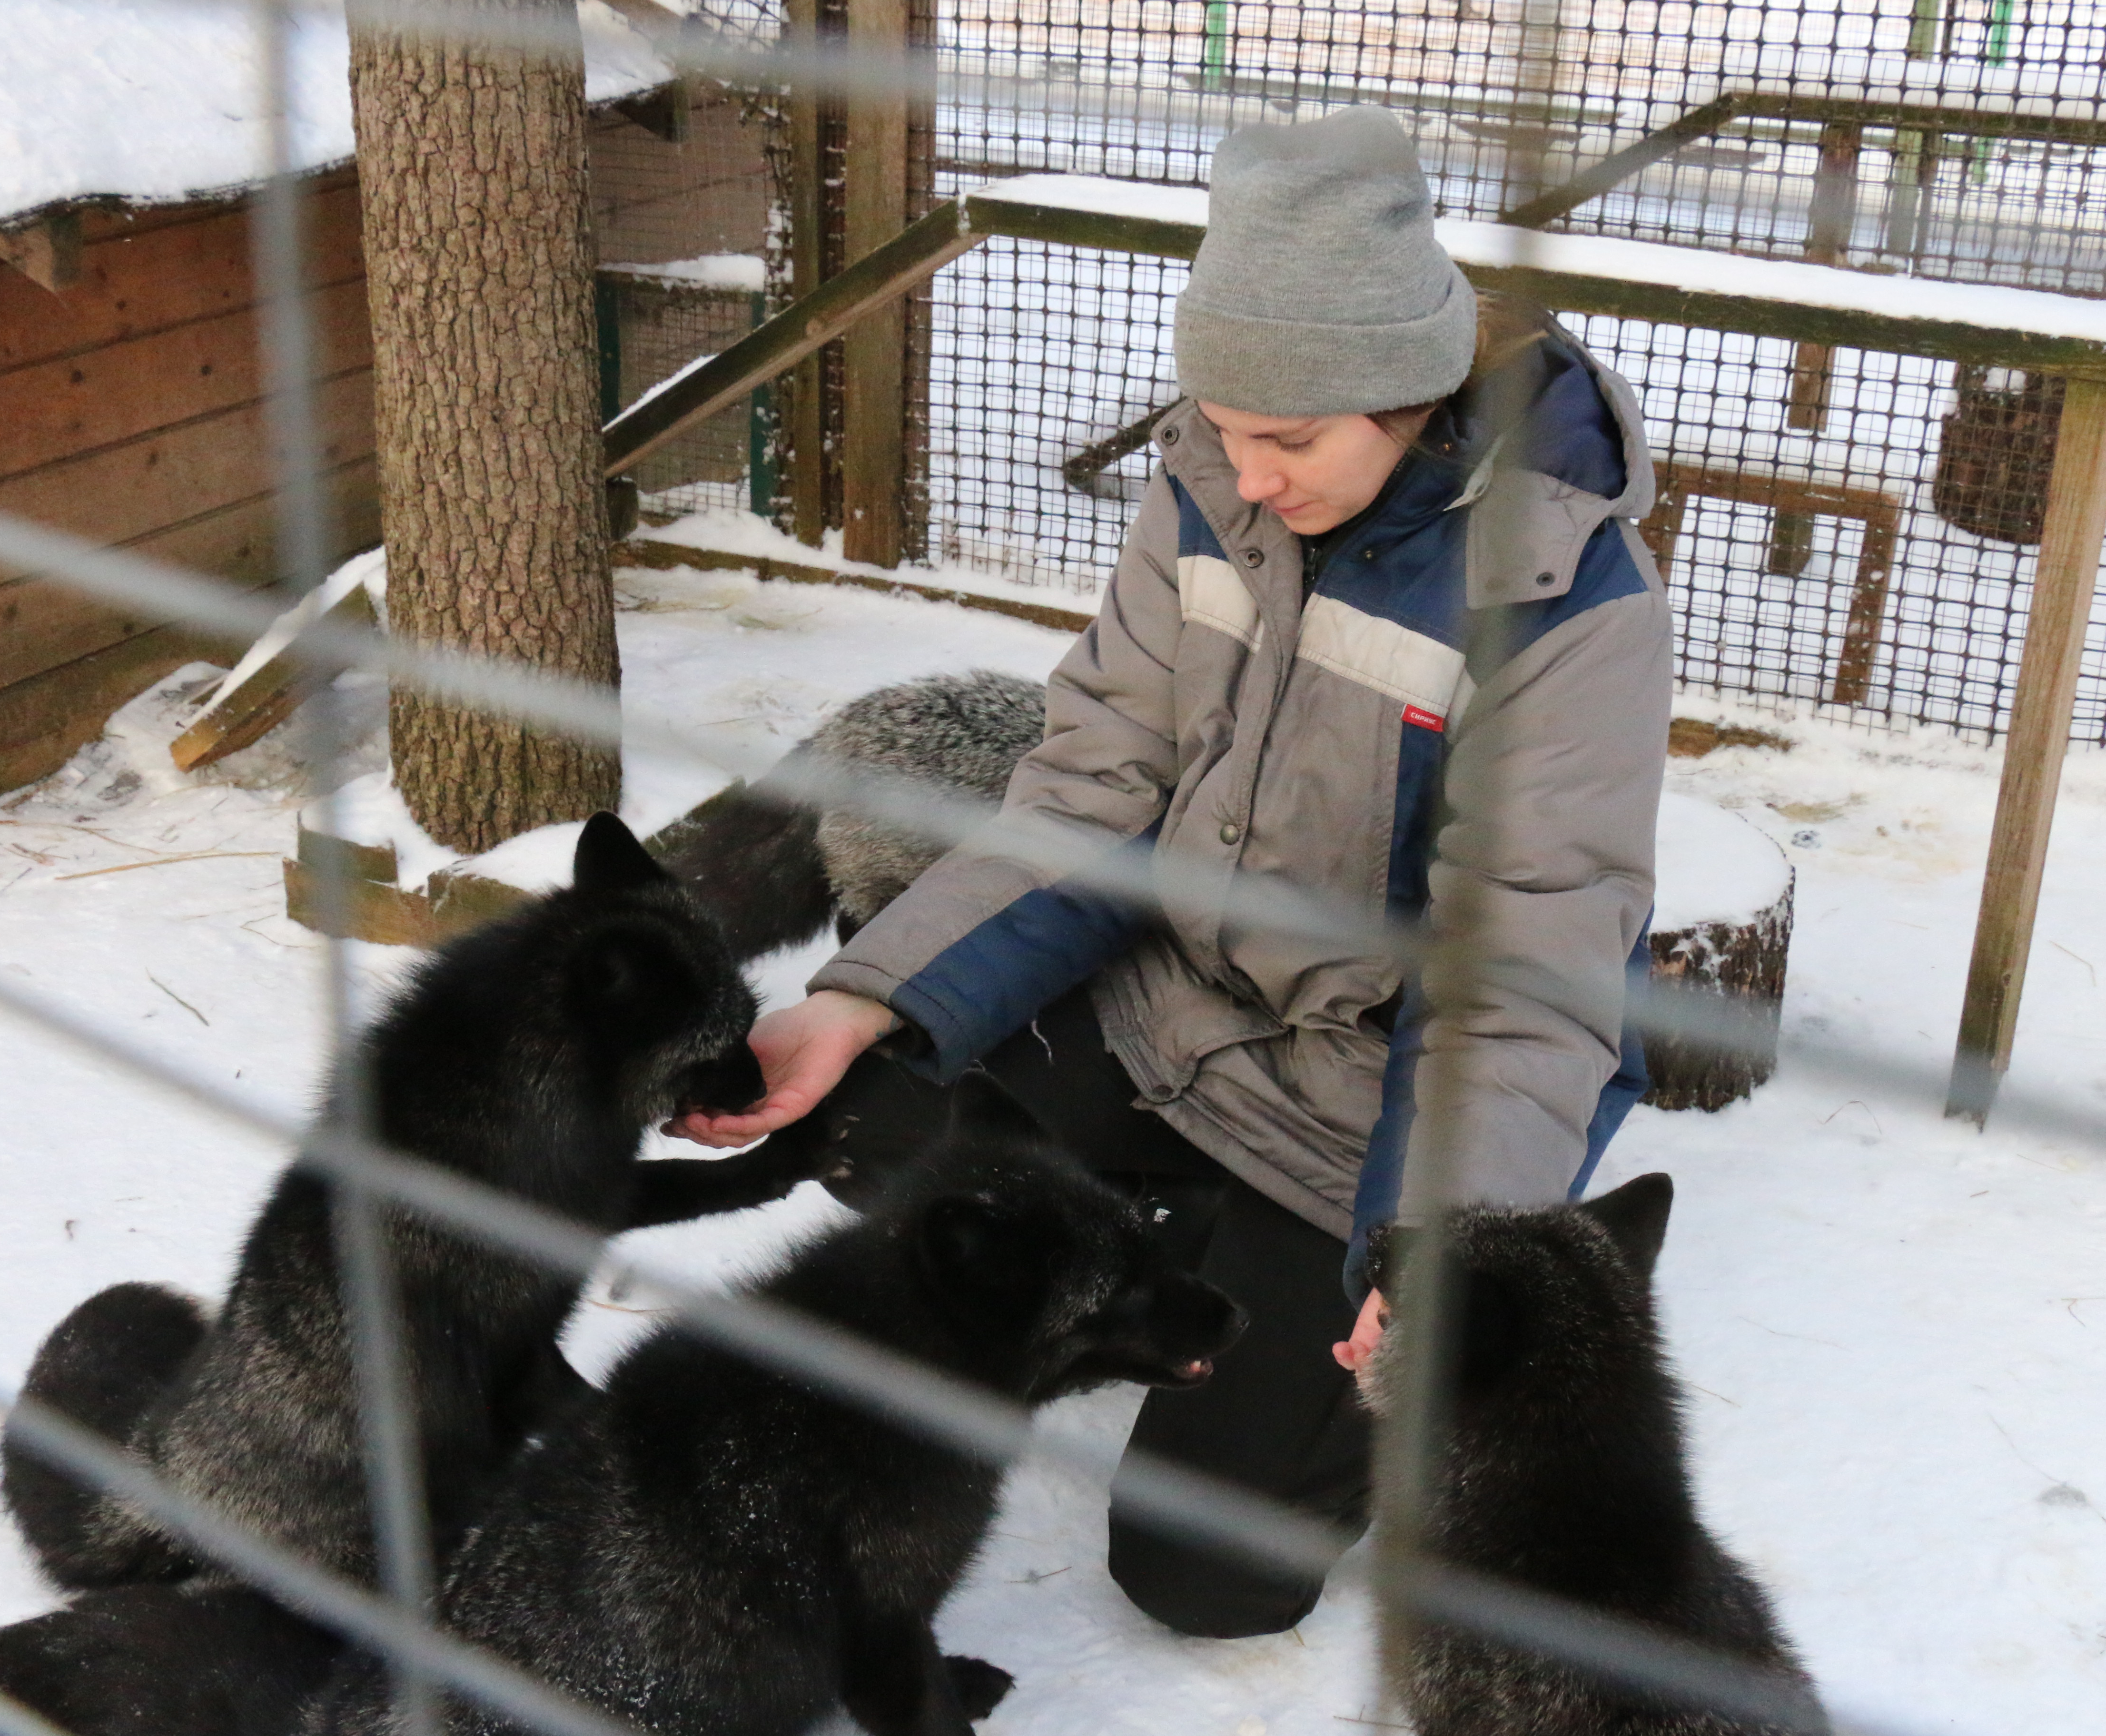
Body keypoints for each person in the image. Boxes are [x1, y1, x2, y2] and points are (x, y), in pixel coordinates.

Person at [675, 105, 1671, 1639]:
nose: (1245, 474)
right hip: (1180, 1002)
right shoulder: (1211, 484)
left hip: (1380, 1095)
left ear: (1403, 395)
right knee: (869, 1128)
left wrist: (1441, 1242)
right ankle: (1182, 1216)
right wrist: (864, 1001)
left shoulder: (1563, 597)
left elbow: (1524, 965)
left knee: (1210, 1577)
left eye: (1287, 440)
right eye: (1222, 422)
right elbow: (1093, 790)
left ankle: (1440, 1294)